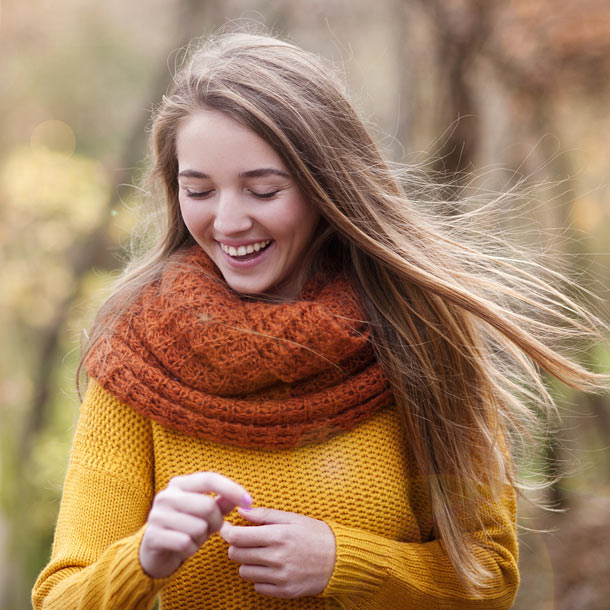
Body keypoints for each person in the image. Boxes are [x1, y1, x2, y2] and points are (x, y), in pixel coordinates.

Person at [32, 30, 607, 609]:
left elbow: (489, 579)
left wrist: (346, 563)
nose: (228, 222)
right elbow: (59, 599)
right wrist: (141, 560)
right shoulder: (140, 359)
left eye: (263, 189)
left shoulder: (419, 337)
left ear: (325, 185)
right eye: (199, 190)